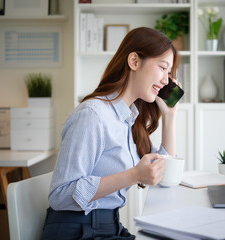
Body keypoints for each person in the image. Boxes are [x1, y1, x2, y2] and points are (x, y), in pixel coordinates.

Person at [41, 27, 180, 240]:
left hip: (109, 226)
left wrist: (169, 117)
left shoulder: (130, 119)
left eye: (169, 73)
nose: (166, 81)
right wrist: (133, 175)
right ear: (134, 61)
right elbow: (60, 195)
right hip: (76, 230)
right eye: (162, 68)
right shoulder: (93, 115)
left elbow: (163, 173)